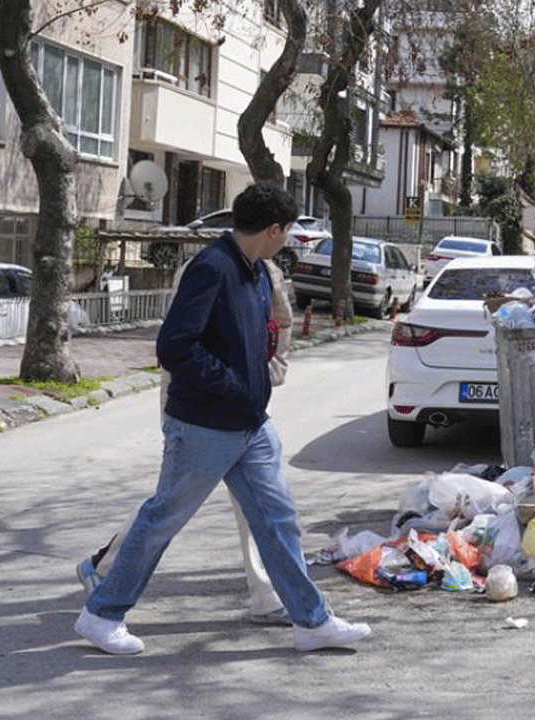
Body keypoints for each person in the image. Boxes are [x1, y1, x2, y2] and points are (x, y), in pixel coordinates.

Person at [74, 183, 369, 654]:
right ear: (273, 229)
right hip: (205, 426)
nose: (288, 240)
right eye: (288, 231)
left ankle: (311, 621)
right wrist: (231, 387)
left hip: (250, 426)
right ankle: (101, 614)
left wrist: (259, 386)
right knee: (162, 519)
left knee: (278, 521)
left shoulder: (252, 271)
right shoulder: (211, 268)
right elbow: (175, 345)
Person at [75, 258, 296, 626]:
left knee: (258, 502)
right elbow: (179, 346)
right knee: (173, 503)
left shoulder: (266, 272)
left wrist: (269, 371)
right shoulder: (206, 270)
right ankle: (105, 570)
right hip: (195, 407)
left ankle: (267, 595)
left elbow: (281, 325)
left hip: (242, 409)